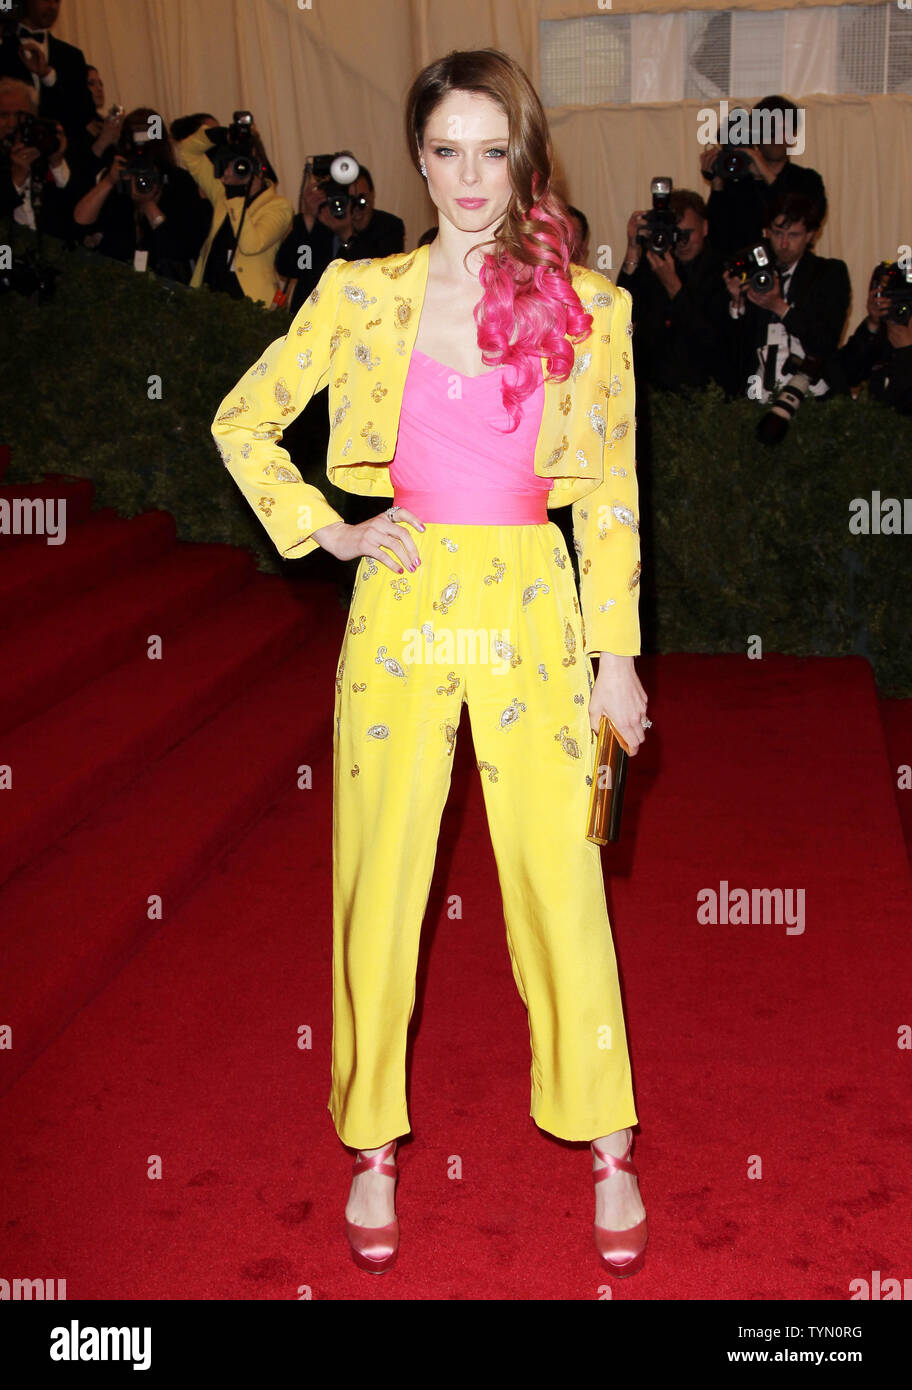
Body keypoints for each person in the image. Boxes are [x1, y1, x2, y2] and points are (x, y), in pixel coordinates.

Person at [211, 47, 650, 1279]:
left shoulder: (591, 307)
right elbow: (242, 419)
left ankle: (610, 1141)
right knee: (381, 872)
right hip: (401, 603)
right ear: (417, 154)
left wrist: (617, 658)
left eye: (491, 150)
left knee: (561, 872)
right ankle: (370, 1141)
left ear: (524, 156)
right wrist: (330, 529)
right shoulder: (361, 294)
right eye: (446, 150)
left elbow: (609, 497)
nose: (468, 176)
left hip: (533, 608)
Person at [722, 190, 850, 402]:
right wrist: (737, 302)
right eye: (777, 233)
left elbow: (825, 340)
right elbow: (735, 347)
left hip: (813, 393)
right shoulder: (757, 274)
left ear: (810, 235)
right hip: (759, 393)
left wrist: (780, 307)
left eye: (793, 235)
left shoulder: (828, 273)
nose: (783, 244)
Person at [618, 187, 730, 392]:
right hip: (652, 387)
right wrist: (633, 249)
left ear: (705, 228)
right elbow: (623, 311)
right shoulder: (656, 262)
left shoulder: (722, 271)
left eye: (688, 233)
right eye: (676, 234)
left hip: (703, 391)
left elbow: (712, 338)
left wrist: (673, 286)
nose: (682, 242)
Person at [177, 115, 292, 308]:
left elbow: (251, 245)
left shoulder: (279, 206)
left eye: (238, 164)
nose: (229, 172)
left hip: (249, 305)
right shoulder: (222, 192)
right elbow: (188, 152)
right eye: (226, 164)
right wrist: (217, 135)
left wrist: (236, 194)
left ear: (256, 165)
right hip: (209, 297)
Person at [700, 94, 827, 258]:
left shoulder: (807, 181)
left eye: (783, 130)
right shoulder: (737, 183)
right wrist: (717, 183)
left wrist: (764, 172)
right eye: (769, 129)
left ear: (793, 136)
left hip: (791, 268)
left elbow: (801, 219)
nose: (775, 137)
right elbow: (716, 238)